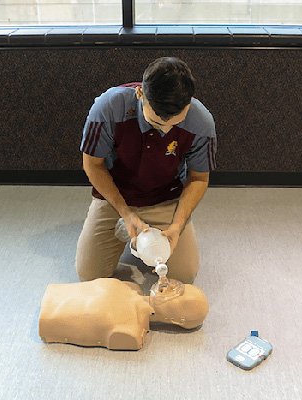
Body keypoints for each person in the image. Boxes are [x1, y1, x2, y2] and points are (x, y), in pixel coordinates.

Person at [76, 56, 217, 284]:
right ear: (140, 94)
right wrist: (126, 212)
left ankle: (145, 231)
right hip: (116, 195)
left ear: (188, 104)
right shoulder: (109, 107)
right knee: (89, 275)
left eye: (175, 123)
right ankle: (125, 230)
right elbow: (92, 164)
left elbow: (199, 177)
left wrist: (177, 225)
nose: (166, 129)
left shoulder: (201, 122)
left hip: (165, 195)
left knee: (184, 275)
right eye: (157, 123)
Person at [38, 278, 209, 350]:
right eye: (182, 287)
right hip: (55, 293)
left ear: (176, 320)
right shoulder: (131, 287)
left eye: (181, 298)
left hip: (49, 318)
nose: (173, 287)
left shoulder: (130, 332)